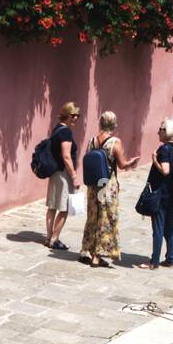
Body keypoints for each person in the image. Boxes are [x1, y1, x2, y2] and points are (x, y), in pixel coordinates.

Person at [80, 111, 138, 269]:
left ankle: (90, 251)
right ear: (114, 124)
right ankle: (97, 257)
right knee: (106, 218)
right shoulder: (115, 142)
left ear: (100, 123)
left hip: (93, 185)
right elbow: (121, 164)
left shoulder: (92, 140)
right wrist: (131, 163)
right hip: (106, 184)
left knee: (93, 216)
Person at [138, 118, 173, 270]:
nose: (158, 131)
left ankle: (154, 262)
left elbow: (165, 170)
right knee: (169, 228)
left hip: (161, 195)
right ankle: (170, 259)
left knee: (158, 228)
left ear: (167, 132)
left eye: (161, 129)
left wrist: (154, 160)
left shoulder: (164, 149)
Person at [45, 102, 81, 252]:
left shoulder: (57, 129)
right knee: (64, 208)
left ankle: (48, 237)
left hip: (55, 173)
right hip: (63, 174)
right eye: (74, 116)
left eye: (77, 116)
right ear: (68, 115)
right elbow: (66, 156)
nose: (76, 119)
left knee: (52, 206)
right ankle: (54, 239)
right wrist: (74, 176)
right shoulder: (65, 132)